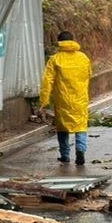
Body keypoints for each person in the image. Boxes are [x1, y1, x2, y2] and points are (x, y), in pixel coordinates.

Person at [39, 30, 92, 165]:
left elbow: (47, 81)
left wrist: (44, 101)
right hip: (80, 98)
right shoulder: (83, 57)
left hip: (62, 98)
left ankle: (65, 155)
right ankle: (80, 150)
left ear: (59, 42)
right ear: (73, 41)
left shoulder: (55, 59)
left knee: (62, 127)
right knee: (80, 125)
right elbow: (89, 74)